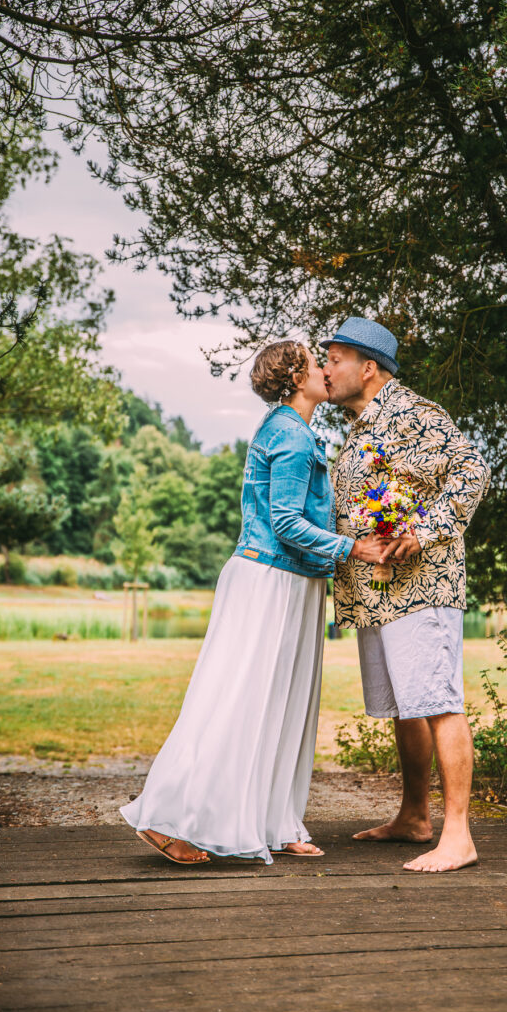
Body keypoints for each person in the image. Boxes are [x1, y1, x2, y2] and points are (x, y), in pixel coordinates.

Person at [121, 341, 385, 864]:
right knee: (241, 699)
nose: (327, 372)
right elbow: (286, 523)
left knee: (281, 706)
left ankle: (275, 821)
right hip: (272, 582)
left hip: (287, 581)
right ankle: (169, 818)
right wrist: (354, 547)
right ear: (294, 377)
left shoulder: (290, 429)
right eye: (317, 364)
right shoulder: (289, 435)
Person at [322, 317, 491, 873]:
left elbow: (472, 472)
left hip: (425, 588)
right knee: (407, 707)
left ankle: (459, 837)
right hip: (382, 593)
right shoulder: (362, 424)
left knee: (439, 703)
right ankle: (415, 817)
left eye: (335, 359)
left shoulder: (415, 413)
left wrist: (424, 528)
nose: (326, 369)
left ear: (368, 368)